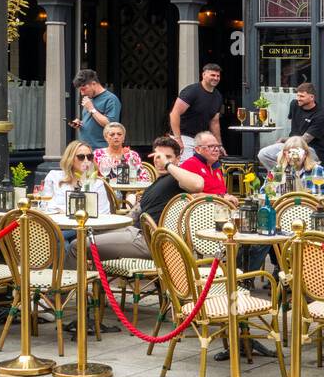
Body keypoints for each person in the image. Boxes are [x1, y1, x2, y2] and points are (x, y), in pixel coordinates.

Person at [89, 136, 206, 264]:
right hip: (134, 232)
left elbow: (197, 184)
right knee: (86, 233)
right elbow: (134, 214)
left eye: (167, 157)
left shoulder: (176, 179)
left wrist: (167, 165)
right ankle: (97, 282)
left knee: (76, 246)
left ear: (178, 159)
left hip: (149, 240)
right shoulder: (158, 182)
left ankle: (71, 281)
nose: (160, 161)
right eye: (158, 157)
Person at [258, 81, 324, 172]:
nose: (298, 98)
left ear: (312, 97)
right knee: (263, 154)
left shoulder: (320, 115)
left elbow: (304, 140)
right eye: (298, 95)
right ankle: (283, 175)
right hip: (291, 144)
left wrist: (284, 140)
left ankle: (292, 176)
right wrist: (284, 142)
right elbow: (294, 126)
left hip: (311, 149)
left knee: (294, 157)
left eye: (302, 96)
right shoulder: (294, 104)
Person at [169, 63, 224, 158]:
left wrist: (218, 145)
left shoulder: (218, 96)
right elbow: (174, 113)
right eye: (212, 75)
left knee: (203, 168)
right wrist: (178, 139)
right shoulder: (192, 91)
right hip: (184, 137)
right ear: (203, 75)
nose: (216, 78)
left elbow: (214, 122)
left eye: (218, 76)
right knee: (186, 169)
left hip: (201, 140)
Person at [70, 69, 121, 150]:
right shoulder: (89, 99)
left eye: (83, 89)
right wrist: (80, 123)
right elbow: (92, 121)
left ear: (93, 84)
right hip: (85, 149)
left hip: (102, 149)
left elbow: (111, 124)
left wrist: (91, 108)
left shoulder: (111, 99)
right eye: (80, 90)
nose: (82, 93)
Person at [273, 135, 324, 200]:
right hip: (283, 209)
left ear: (305, 154)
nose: (294, 157)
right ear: (285, 154)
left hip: (311, 208)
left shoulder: (318, 170)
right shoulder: (278, 171)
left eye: (298, 152)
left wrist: (314, 196)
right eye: (290, 152)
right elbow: (266, 193)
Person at [180, 130, 229, 197]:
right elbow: (192, 195)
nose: (217, 149)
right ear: (198, 149)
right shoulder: (190, 164)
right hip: (204, 206)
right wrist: (221, 197)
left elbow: (223, 192)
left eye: (217, 146)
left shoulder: (214, 165)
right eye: (211, 146)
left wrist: (229, 197)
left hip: (221, 204)